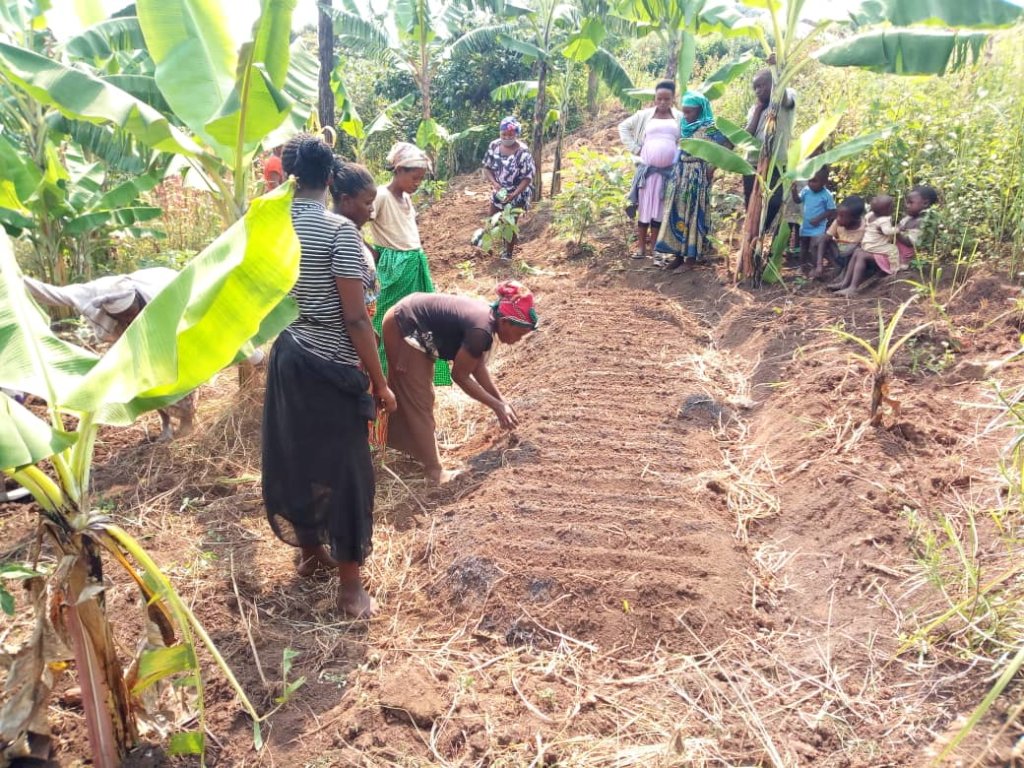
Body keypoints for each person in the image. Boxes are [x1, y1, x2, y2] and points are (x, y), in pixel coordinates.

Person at [262, 134, 396, 619]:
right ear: (331, 179)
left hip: (287, 356)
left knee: (296, 456)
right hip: (330, 363)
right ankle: (349, 587)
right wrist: (380, 383)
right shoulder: (338, 232)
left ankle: (312, 557)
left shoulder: (271, 225)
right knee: (347, 468)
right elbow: (356, 317)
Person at [381, 281, 538, 484]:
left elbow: (476, 367)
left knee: (414, 397)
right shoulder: (481, 330)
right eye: (518, 334)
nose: (517, 340)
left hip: (411, 322)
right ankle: (435, 472)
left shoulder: (487, 322)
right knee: (419, 400)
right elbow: (460, 376)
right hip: (405, 326)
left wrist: (502, 402)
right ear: (506, 322)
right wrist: (496, 406)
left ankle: (407, 449)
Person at [23, 268, 194, 440]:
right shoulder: (92, 293)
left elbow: (190, 288)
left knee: (177, 373)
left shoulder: (159, 287)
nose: (128, 318)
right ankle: (166, 424)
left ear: (137, 298)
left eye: (130, 313)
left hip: (163, 328)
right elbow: (52, 294)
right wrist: (12, 277)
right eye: (121, 316)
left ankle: (187, 421)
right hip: (130, 337)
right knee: (147, 380)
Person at [369, 142, 451, 387]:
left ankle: (410, 373)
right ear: (399, 170)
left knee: (418, 322)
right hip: (394, 268)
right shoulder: (381, 195)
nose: (417, 183)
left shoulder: (406, 198)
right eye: (414, 177)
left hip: (414, 265)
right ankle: (381, 375)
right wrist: (374, 252)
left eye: (421, 179)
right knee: (387, 321)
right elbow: (356, 221)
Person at [653, 91, 732, 272]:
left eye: (690, 112)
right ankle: (677, 255)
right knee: (676, 212)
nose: (686, 116)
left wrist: (713, 166)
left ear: (700, 110)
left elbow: (728, 145)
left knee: (693, 214)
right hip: (680, 172)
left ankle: (691, 258)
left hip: (697, 174)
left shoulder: (710, 126)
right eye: (685, 111)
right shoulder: (683, 124)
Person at [618, 80, 683, 260]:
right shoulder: (645, 115)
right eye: (659, 99)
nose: (662, 102)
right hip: (647, 172)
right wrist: (636, 148)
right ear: (655, 98)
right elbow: (623, 127)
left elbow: (684, 141)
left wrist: (677, 156)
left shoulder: (679, 118)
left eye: (666, 99)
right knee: (644, 209)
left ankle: (655, 248)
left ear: (672, 99)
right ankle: (641, 249)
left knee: (659, 211)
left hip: (667, 173)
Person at [832, 187, 937, 296]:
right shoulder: (908, 218)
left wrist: (896, 233)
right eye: (907, 202)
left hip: (900, 257)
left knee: (862, 255)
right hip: (891, 251)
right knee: (858, 251)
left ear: (925, 203)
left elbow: (911, 242)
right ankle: (844, 283)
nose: (907, 205)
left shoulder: (921, 222)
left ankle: (853, 288)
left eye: (910, 202)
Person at [743, 68, 797, 232]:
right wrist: (758, 111)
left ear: (773, 83)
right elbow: (747, 135)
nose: (758, 90)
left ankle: (763, 236)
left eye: (762, 85)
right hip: (752, 163)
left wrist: (776, 71)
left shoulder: (785, 100)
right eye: (755, 87)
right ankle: (751, 240)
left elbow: (785, 96)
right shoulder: (754, 109)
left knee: (774, 202)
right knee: (751, 205)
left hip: (777, 163)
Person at [481, 117, 536, 261]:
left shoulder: (523, 152)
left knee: (510, 223)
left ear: (516, 134)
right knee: (492, 220)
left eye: (510, 135)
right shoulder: (494, 146)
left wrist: (514, 194)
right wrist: (495, 183)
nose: (506, 137)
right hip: (499, 190)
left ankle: (508, 254)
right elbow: (487, 167)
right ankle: (494, 247)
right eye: (504, 134)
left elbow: (528, 177)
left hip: (518, 192)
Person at [790, 167, 835, 271]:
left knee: (815, 247)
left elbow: (831, 210)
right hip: (806, 225)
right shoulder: (806, 190)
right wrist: (794, 192)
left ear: (824, 182)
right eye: (809, 180)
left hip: (818, 226)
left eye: (814, 181)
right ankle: (802, 266)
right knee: (803, 246)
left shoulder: (827, 195)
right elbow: (797, 200)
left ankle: (815, 268)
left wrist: (818, 219)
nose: (810, 183)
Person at [813, 195, 865, 280]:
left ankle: (845, 273)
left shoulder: (865, 226)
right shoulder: (837, 222)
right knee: (821, 239)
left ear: (855, 218)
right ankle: (835, 267)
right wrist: (819, 265)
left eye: (842, 216)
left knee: (858, 250)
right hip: (838, 254)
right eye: (838, 215)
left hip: (852, 258)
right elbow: (826, 238)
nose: (838, 218)